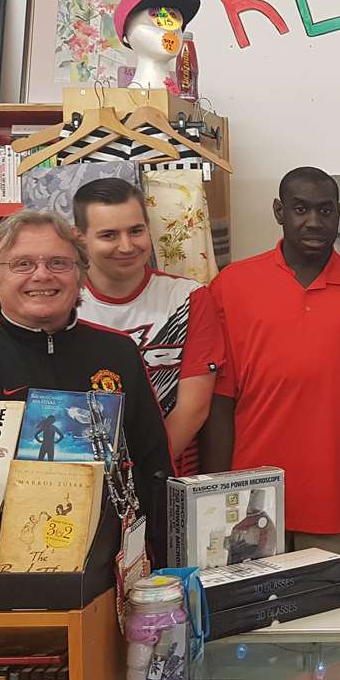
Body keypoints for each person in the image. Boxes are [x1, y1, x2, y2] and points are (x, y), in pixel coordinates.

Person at [203, 167, 340, 579]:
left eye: (324, 210)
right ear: (279, 212)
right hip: (249, 502)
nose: (314, 221)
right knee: (252, 629)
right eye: (300, 209)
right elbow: (219, 405)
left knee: (329, 632)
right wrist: (215, 499)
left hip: (333, 503)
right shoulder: (232, 286)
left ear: (339, 214)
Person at [0, 209, 173, 556]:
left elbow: (153, 461)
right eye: (22, 264)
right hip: (7, 555)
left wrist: (163, 557)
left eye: (59, 263)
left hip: (112, 553)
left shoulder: (119, 350)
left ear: (79, 276)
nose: (42, 275)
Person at [73, 177, 224, 476]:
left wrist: (140, 473)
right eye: (109, 235)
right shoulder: (64, 304)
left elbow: (192, 409)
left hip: (166, 473)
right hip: (82, 477)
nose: (126, 246)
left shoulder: (188, 297)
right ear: (80, 239)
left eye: (136, 231)